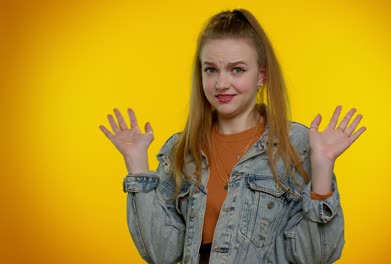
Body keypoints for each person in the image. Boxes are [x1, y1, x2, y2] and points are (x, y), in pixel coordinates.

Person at [99, 8, 366, 264]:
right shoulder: (180, 150)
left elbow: (315, 257)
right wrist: (137, 166)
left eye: (237, 69)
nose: (221, 83)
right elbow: (161, 254)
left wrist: (322, 167)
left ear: (261, 75)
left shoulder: (298, 146)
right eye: (211, 69)